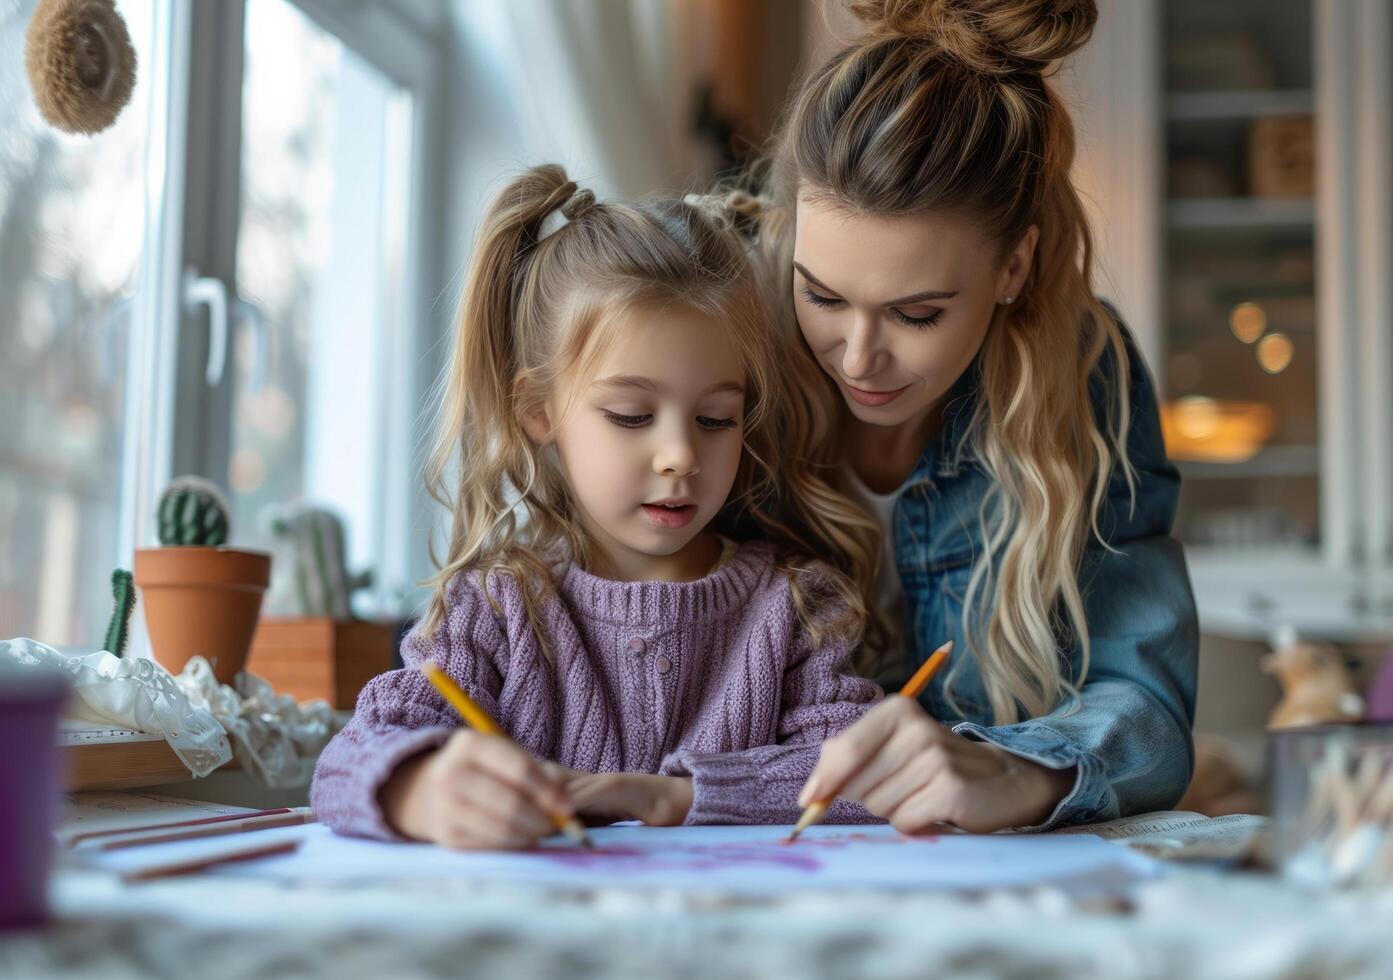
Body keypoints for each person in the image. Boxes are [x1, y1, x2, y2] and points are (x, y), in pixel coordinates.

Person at [310, 166, 881, 849]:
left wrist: (674, 797)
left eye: (716, 418)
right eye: (632, 415)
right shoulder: (495, 607)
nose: (680, 455)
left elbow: (861, 778)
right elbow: (345, 763)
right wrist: (421, 790)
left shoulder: (795, 608)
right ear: (538, 412)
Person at [754, 0, 1198, 833]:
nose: (855, 359)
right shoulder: (726, 329)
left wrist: (1015, 769)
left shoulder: (1086, 374)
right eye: (821, 296)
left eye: (916, 314)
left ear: (1013, 267)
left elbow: (1144, 701)